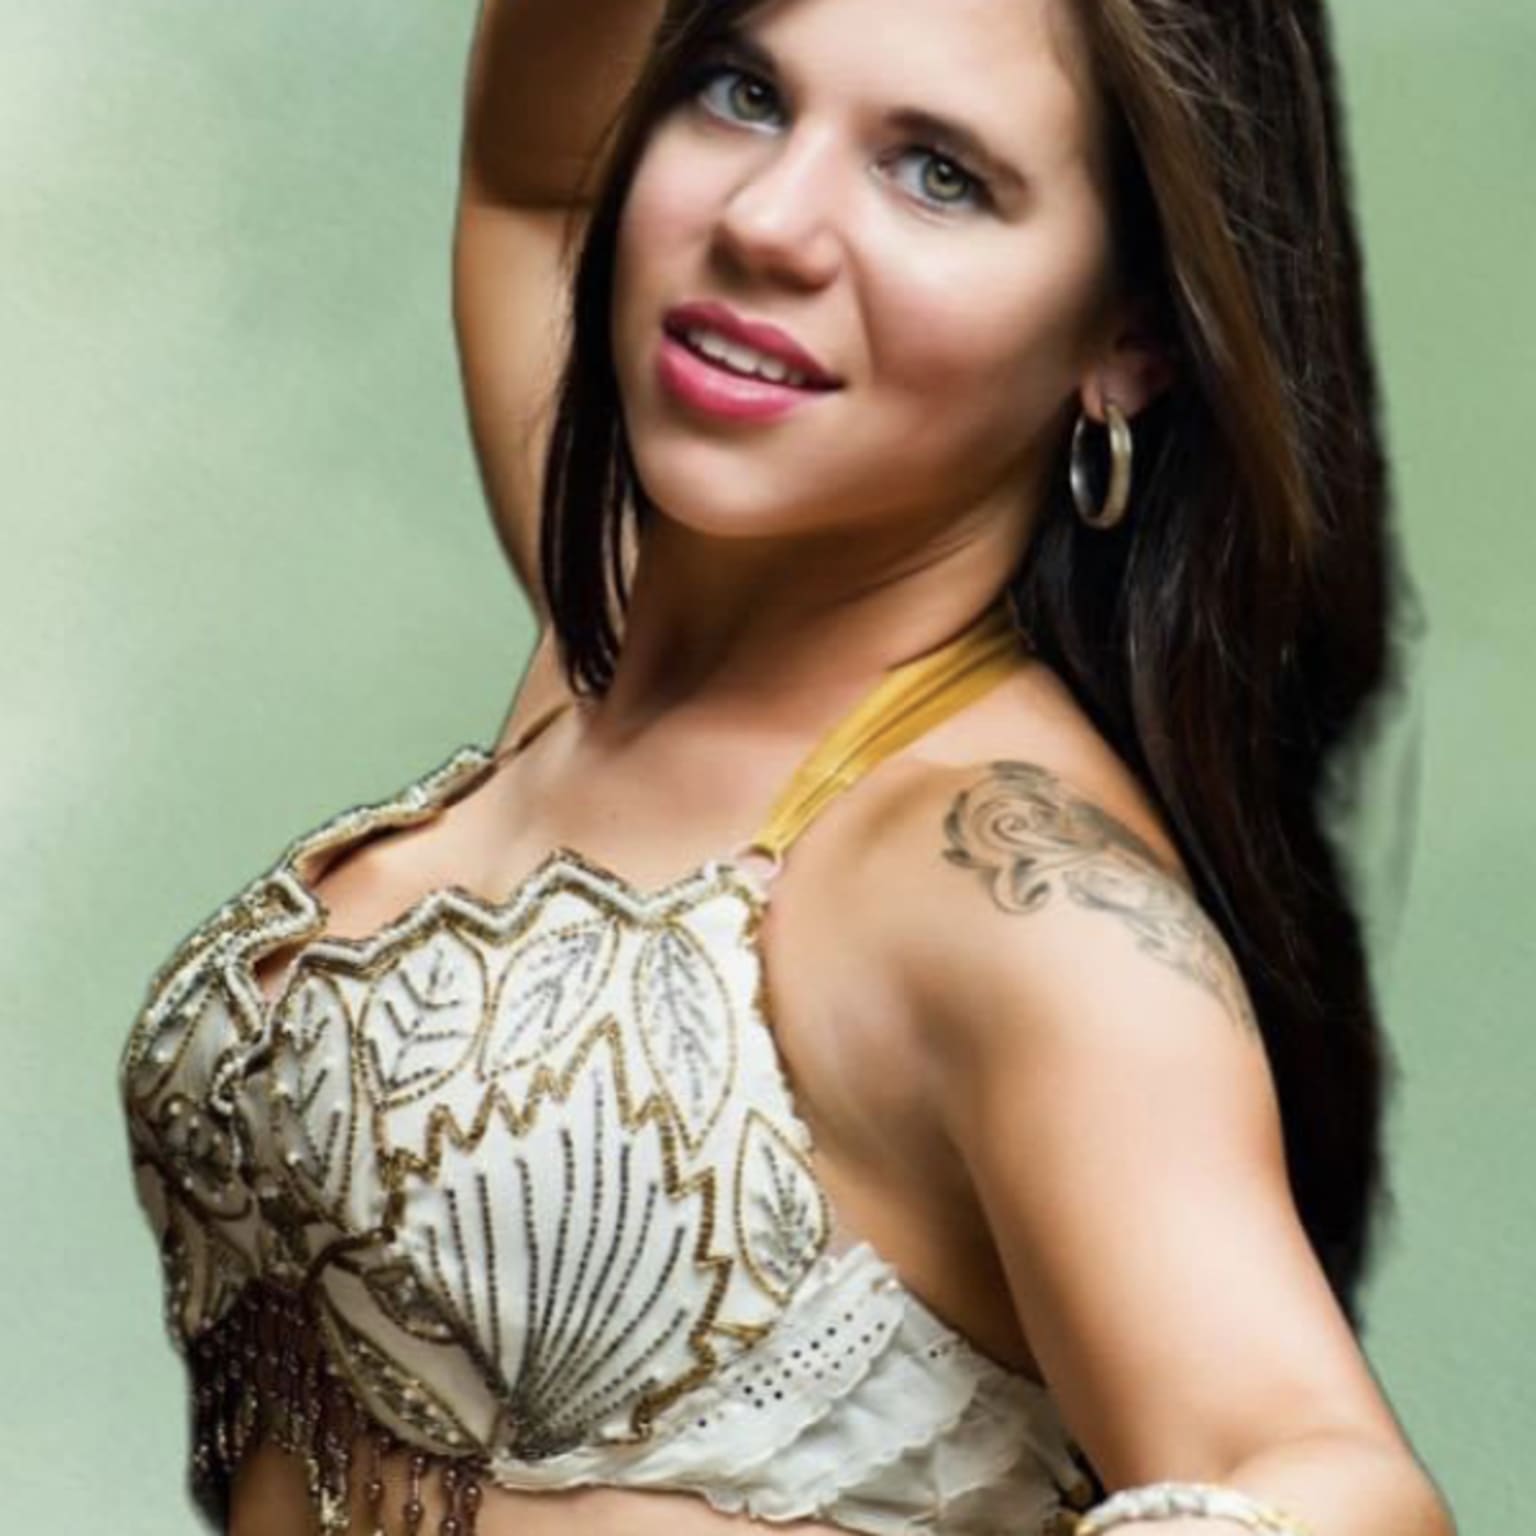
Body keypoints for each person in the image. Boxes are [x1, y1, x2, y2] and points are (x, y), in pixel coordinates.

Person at [116, 0, 1455, 1533]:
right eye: (741, 91)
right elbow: (537, 174)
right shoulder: (627, 639)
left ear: (1128, 340)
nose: (765, 223)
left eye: (940, 174)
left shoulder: (1005, 894)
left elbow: (1326, 1474)